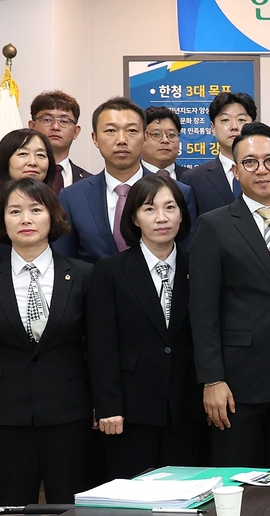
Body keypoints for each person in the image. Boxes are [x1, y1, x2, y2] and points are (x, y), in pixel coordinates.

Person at [0, 178, 94, 505]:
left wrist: (103, 404)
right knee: (13, 503)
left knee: (70, 504)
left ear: (52, 216)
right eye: (15, 211)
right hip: (4, 415)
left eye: (36, 210)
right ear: (1, 220)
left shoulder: (83, 275)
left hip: (69, 412)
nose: (26, 219)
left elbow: (96, 347)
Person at [189, 122, 270, 468]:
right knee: (237, 478)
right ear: (236, 170)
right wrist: (212, 378)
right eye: (250, 162)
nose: (261, 170)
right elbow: (203, 309)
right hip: (237, 381)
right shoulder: (214, 225)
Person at [86, 175, 203, 479]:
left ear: (182, 214)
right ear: (134, 218)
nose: (161, 218)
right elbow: (101, 345)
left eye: (170, 207)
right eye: (149, 209)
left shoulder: (198, 267)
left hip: (187, 408)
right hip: (130, 410)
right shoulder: (110, 270)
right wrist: (108, 406)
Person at [56, 98, 197, 262]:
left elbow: (187, 258)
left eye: (131, 131)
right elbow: (65, 263)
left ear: (145, 137)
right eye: (110, 131)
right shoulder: (73, 197)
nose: (121, 140)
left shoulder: (178, 192)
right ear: (95, 138)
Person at [0, 129, 56, 275]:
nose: (33, 162)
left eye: (40, 155)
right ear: (5, 160)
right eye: (23, 154)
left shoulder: (60, 207)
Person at [180, 92, 256, 217]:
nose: (234, 126)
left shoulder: (268, 172)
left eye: (241, 120)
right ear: (213, 128)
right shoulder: (193, 179)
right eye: (225, 120)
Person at [29, 90, 90, 192]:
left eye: (64, 121)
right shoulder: (18, 176)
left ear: (75, 132)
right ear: (32, 127)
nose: (55, 127)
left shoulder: (90, 183)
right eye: (47, 119)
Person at [141, 106, 188, 179]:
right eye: (156, 134)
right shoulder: (129, 177)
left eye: (171, 135)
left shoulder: (192, 179)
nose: (165, 140)